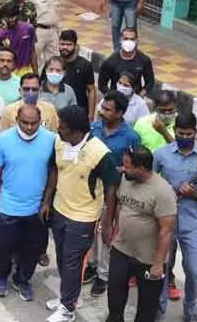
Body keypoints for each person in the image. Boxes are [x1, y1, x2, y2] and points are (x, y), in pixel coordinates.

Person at [46, 105, 119, 322]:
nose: (58, 129)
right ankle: (68, 297)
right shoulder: (60, 141)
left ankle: (68, 309)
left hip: (83, 217)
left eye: (63, 126)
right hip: (60, 209)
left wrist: (107, 223)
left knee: (72, 261)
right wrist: (47, 200)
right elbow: (55, 170)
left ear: (77, 130)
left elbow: (112, 188)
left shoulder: (100, 153)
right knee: (61, 256)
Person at [154, 112, 197, 321]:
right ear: (174, 131)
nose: (185, 136)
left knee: (193, 270)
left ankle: (191, 310)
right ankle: (159, 307)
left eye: (189, 133)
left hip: (191, 223)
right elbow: (149, 181)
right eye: (180, 133)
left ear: (196, 132)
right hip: (165, 221)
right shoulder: (161, 154)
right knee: (162, 267)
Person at [0, 103, 56, 300]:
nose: (29, 127)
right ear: (17, 120)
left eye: (34, 123)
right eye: (25, 123)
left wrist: (46, 201)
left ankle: (22, 280)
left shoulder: (51, 140)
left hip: (36, 210)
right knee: (3, 247)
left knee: (32, 250)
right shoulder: (3, 139)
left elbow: (53, 171)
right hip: (8, 207)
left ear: (40, 121)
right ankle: (1, 278)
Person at [106, 146, 177, 322]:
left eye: (127, 166)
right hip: (121, 249)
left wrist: (159, 264)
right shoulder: (125, 179)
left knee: (146, 309)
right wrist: (114, 228)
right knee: (114, 297)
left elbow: (166, 231)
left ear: (141, 168)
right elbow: (120, 204)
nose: (123, 169)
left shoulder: (163, 191)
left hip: (148, 259)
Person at [86, 90, 142, 296]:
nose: (103, 112)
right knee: (91, 228)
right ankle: (91, 265)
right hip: (93, 189)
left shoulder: (131, 137)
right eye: (103, 107)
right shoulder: (94, 128)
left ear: (120, 113)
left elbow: (136, 167)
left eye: (108, 110)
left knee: (108, 232)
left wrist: (120, 169)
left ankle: (103, 274)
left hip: (116, 192)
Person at [99, 27, 156, 95]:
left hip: (135, 99)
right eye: (125, 39)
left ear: (137, 41)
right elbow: (102, 85)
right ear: (120, 40)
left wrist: (140, 96)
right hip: (116, 100)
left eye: (132, 39)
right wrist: (112, 98)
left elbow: (150, 82)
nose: (129, 42)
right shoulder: (110, 61)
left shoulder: (144, 60)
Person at [27, 0, 61, 68]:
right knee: (35, 59)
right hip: (39, 31)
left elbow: (56, 11)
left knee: (54, 60)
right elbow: (27, 16)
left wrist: (59, 30)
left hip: (52, 31)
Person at [0, 2, 38, 76]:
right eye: (8, 17)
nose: (11, 19)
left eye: (13, 16)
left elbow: (32, 52)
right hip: (8, 73)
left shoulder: (29, 29)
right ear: (4, 17)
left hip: (26, 72)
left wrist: (36, 74)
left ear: (18, 15)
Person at [58, 29, 97, 111]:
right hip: (57, 111)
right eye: (62, 44)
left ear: (75, 46)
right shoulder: (52, 64)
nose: (65, 47)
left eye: (69, 44)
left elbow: (91, 90)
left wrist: (90, 115)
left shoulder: (85, 65)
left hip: (79, 111)